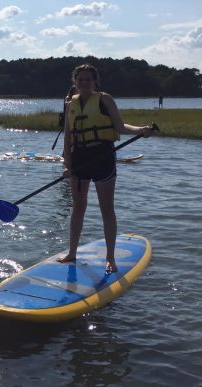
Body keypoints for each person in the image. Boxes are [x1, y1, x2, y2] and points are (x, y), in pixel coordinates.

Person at [59, 64, 154, 273]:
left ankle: (110, 258)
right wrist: (68, 161)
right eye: (80, 79)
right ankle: (72, 252)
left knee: (106, 208)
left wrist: (140, 130)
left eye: (88, 79)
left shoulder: (105, 99)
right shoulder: (70, 104)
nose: (84, 83)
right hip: (80, 159)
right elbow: (68, 135)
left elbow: (120, 127)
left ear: (95, 82)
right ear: (75, 82)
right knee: (78, 208)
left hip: (102, 157)